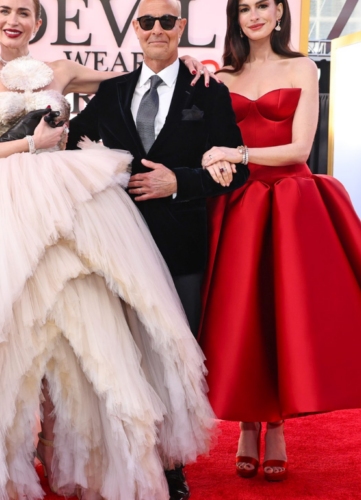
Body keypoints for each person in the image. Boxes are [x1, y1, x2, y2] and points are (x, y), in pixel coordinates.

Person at [0, 1, 219, 499]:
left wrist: (181, 62)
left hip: (67, 207)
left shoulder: (62, 70)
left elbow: (134, 81)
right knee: (9, 334)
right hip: (3, 210)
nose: (14, 20)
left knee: (78, 328)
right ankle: (0, 461)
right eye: (5, 11)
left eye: (24, 12)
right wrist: (30, 145)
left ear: (37, 23)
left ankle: (72, 454)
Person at [198, 0, 361, 483]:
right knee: (243, 317)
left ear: (279, 12)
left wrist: (236, 152)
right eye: (244, 8)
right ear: (236, 18)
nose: (254, 15)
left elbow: (300, 148)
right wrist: (218, 157)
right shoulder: (221, 78)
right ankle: (248, 424)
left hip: (290, 203)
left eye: (263, 5)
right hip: (237, 206)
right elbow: (205, 144)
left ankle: (276, 426)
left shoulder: (303, 68)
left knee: (287, 316)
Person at [64, 1, 249, 498]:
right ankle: (125, 461)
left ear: (181, 27)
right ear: (135, 29)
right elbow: (72, 146)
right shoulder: (112, 91)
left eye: (167, 21)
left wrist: (180, 182)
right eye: (147, 22)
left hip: (179, 248)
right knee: (120, 357)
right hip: (114, 248)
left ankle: (170, 466)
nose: (157, 29)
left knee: (171, 360)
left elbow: (238, 168)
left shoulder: (208, 92)